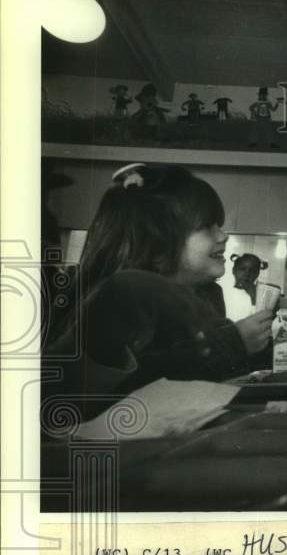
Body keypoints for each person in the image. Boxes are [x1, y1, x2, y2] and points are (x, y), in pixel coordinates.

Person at [44, 163, 273, 415]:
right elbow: (133, 392)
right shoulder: (121, 301)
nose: (223, 235)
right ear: (159, 240)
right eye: (207, 226)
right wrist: (233, 342)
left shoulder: (206, 295)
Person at [223, 253, 270, 322]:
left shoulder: (260, 295)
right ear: (234, 270)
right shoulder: (224, 292)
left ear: (257, 274)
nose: (247, 273)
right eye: (242, 269)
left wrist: (253, 298)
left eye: (252, 270)